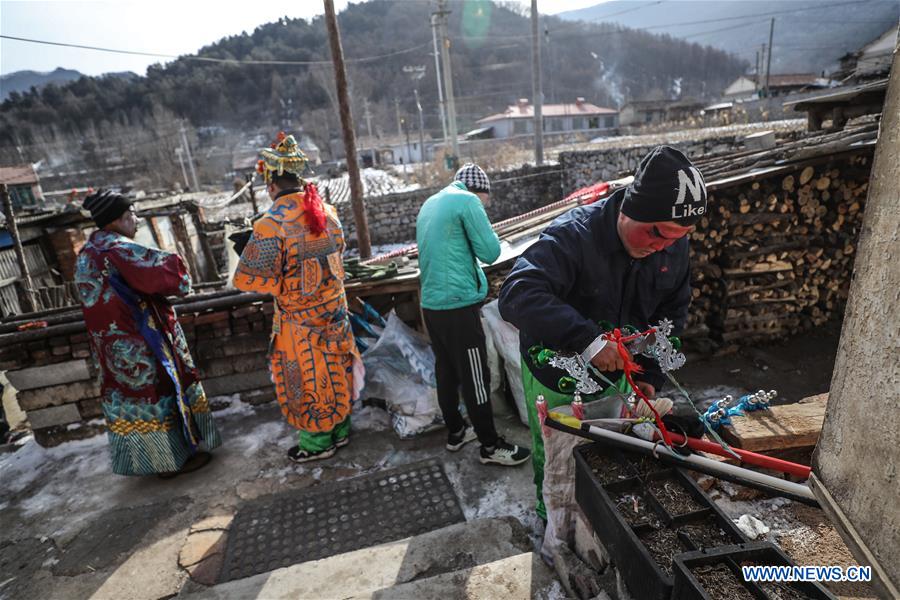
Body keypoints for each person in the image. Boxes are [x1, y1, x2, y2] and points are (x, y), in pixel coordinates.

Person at [498, 145, 706, 520]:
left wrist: (652, 375)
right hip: (558, 374)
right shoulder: (574, 237)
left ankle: (598, 519)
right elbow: (517, 294)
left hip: (622, 374)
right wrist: (587, 341)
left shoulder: (671, 248)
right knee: (558, 453)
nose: (664, 247)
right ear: (631, 209)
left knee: (610, 449)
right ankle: (552, 521)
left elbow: (672, 311)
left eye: (678, 238)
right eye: (657, 233)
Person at [233, 132, 362, 463]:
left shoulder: (270, 223)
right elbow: (339, 252)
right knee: (337, 371)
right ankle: (341, 431)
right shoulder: (327, 212)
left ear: (271, 183)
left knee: (308, 379)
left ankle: (318, 443)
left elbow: (252, 280)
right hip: (334, 313)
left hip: (300, 324)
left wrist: (246, 247)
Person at [75, 189, 221, 477]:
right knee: (157, 394)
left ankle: (151, 461)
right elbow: (170, 275)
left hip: (111, 347)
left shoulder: (87, 252)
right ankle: (171, 463)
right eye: (132, 215)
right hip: (141, 340)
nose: (137, 220)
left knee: (133, 400)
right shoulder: (119, 249)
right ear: (118, 219)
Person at [416, 163, 531, 467]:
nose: (485, 206)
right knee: (475, 375)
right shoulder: (467, 201)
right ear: (479, 192)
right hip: (458, 305)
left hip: (431, 304)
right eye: (485, 201)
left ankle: (456, 432)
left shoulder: (431, 202)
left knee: (446, 370)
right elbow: (491, 253)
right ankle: (490, 446)